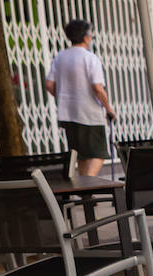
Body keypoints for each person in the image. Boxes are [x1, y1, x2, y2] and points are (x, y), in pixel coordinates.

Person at [45, 19, 115, 177]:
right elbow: (98, 87)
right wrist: (108, 108)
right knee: (98, 153)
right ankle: (88, 186)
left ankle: (85, 196)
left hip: (68, 114)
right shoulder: (90, 58)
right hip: (89, 114)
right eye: (90, 34)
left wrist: (64, 96)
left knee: (81, 157)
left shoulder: (60, 57)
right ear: (85, 37)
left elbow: (49, 84)